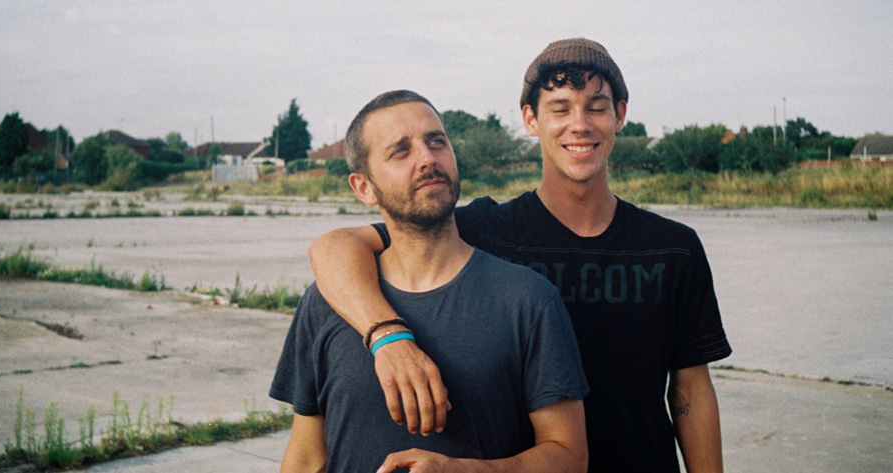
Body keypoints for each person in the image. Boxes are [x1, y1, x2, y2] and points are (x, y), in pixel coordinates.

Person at [308, 38, 732, 473]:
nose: (580, 124)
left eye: (597, 106)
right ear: (531, 119)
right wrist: (388, 338)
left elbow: (690, 391)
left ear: (620, 114)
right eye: (561, 108)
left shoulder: (672, 248)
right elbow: (335, 247)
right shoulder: (484, 231)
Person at [271, 90, 589, 473]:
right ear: (363, 188)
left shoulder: (527, 299)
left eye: (436, 142)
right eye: (400, 151)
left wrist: (467, 471)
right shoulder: (326, 301)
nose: (427, 159)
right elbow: (306, 457)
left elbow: (569, 457)